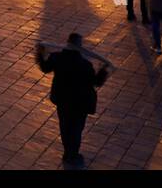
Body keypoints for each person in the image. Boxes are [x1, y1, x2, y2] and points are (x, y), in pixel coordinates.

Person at [35, 33, 111, 167]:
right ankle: (73, 153)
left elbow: (45, 68)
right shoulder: (85, 65)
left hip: (63, 99)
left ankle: (67, 152)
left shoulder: (57, 57)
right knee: (76, 128)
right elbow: (95, 82)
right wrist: (103, 70)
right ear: (79, 47)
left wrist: (40, 54)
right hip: (80, 102)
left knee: (65, 127)